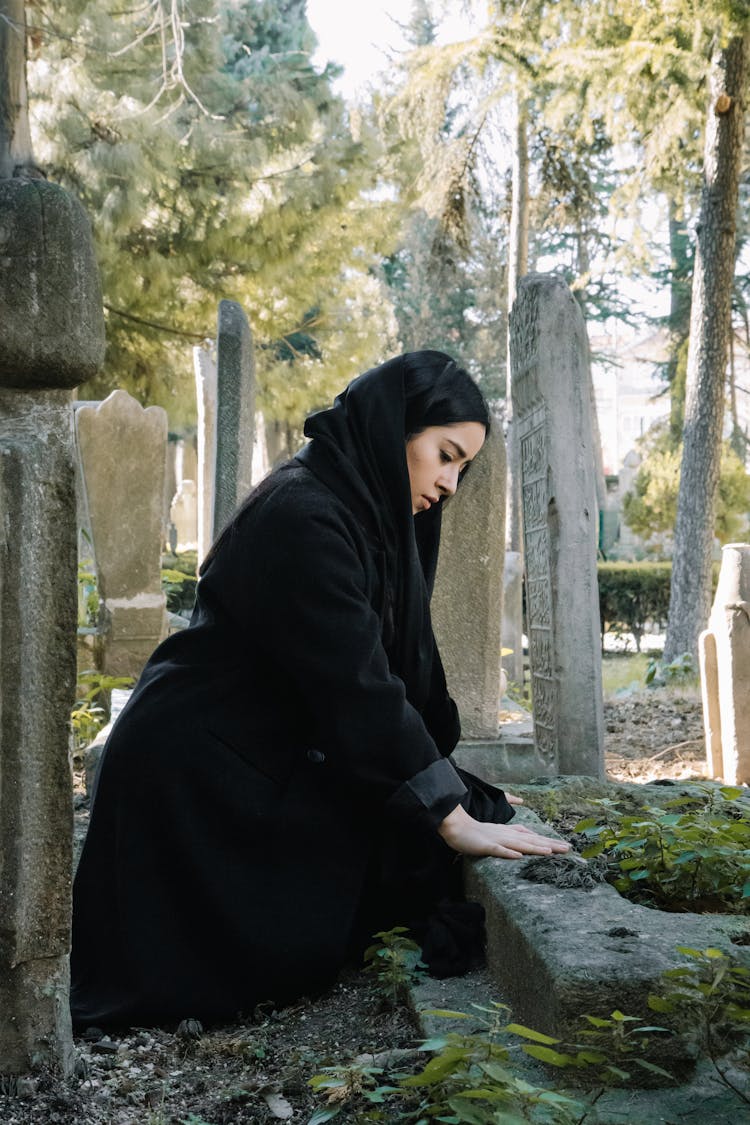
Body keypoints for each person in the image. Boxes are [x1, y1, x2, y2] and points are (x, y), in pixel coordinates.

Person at [70, 350, 567, 1030]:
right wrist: (446, 813)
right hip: (198, 776)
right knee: (298, 936)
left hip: (256, 746)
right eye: (445, 454)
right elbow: (356, 685)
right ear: (395, 430)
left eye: (463, 467)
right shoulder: (303, 515)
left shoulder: (355, 508)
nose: (451, 482)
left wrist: (447, 794)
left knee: (431, 827)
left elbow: (391, 675)